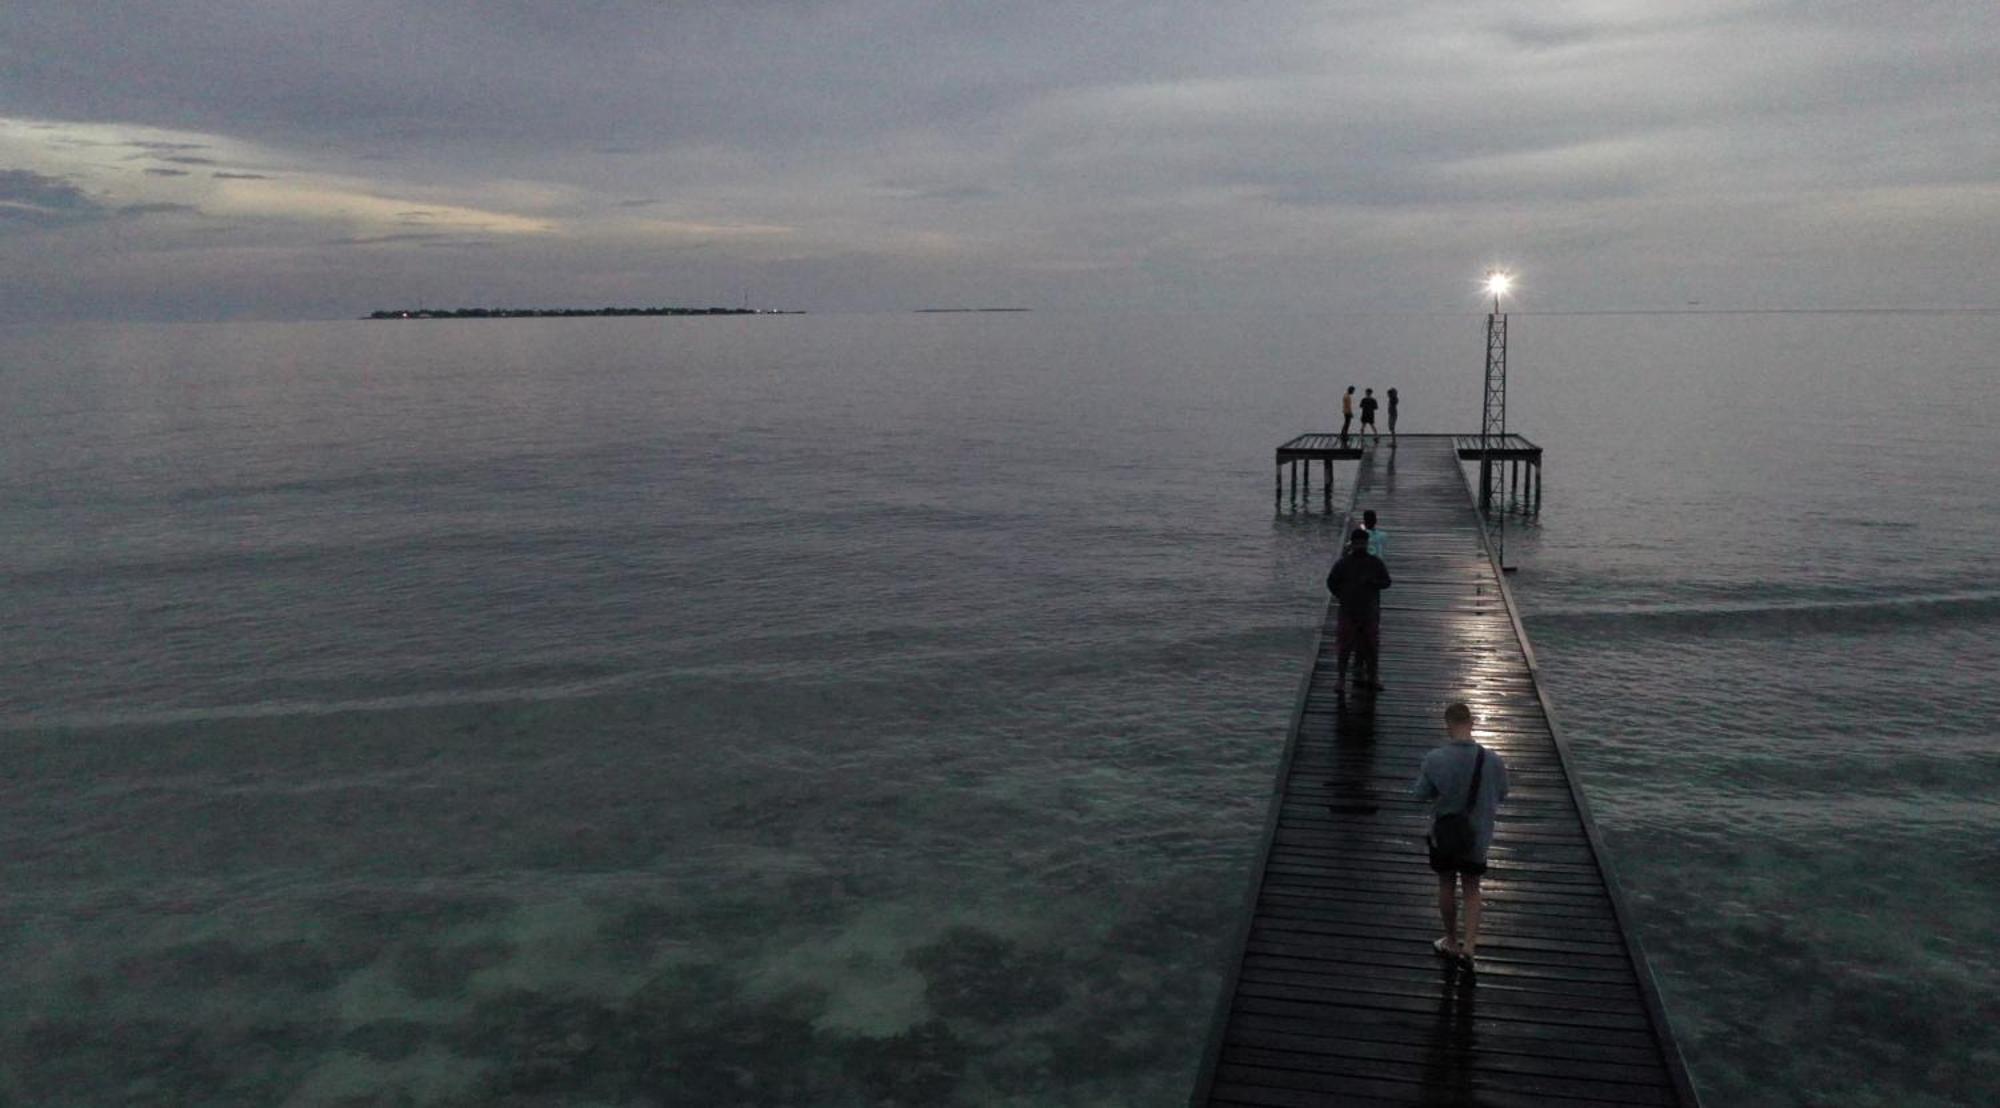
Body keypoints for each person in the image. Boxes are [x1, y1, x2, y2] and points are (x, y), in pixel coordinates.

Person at [1413, 703, 1510, 968]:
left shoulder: (1434, 758)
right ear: (1473, 722)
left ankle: (1451, 940)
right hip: (1476, 837)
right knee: (1472, 888)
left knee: (1446, 884)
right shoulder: (1493, 760)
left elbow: (1419, 795)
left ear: (1447, 725)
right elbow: (1502, 794)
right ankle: (1469, 945)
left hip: (1444, 836)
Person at [1324, 527, 1391, 689]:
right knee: (1344, 647)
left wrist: (1373, 583)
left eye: (1363, 543)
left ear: (1367, 544)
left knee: (1371, 647)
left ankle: (1373, 677)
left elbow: (1387, 582)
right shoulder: (1343, 564)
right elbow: (1331, 582)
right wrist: (1342, 595)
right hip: (1348, 612)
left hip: (1369, 612)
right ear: (1352, 544)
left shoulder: (1375, 563)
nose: (1360, 546)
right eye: (1357, 543)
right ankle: (1340, 679)